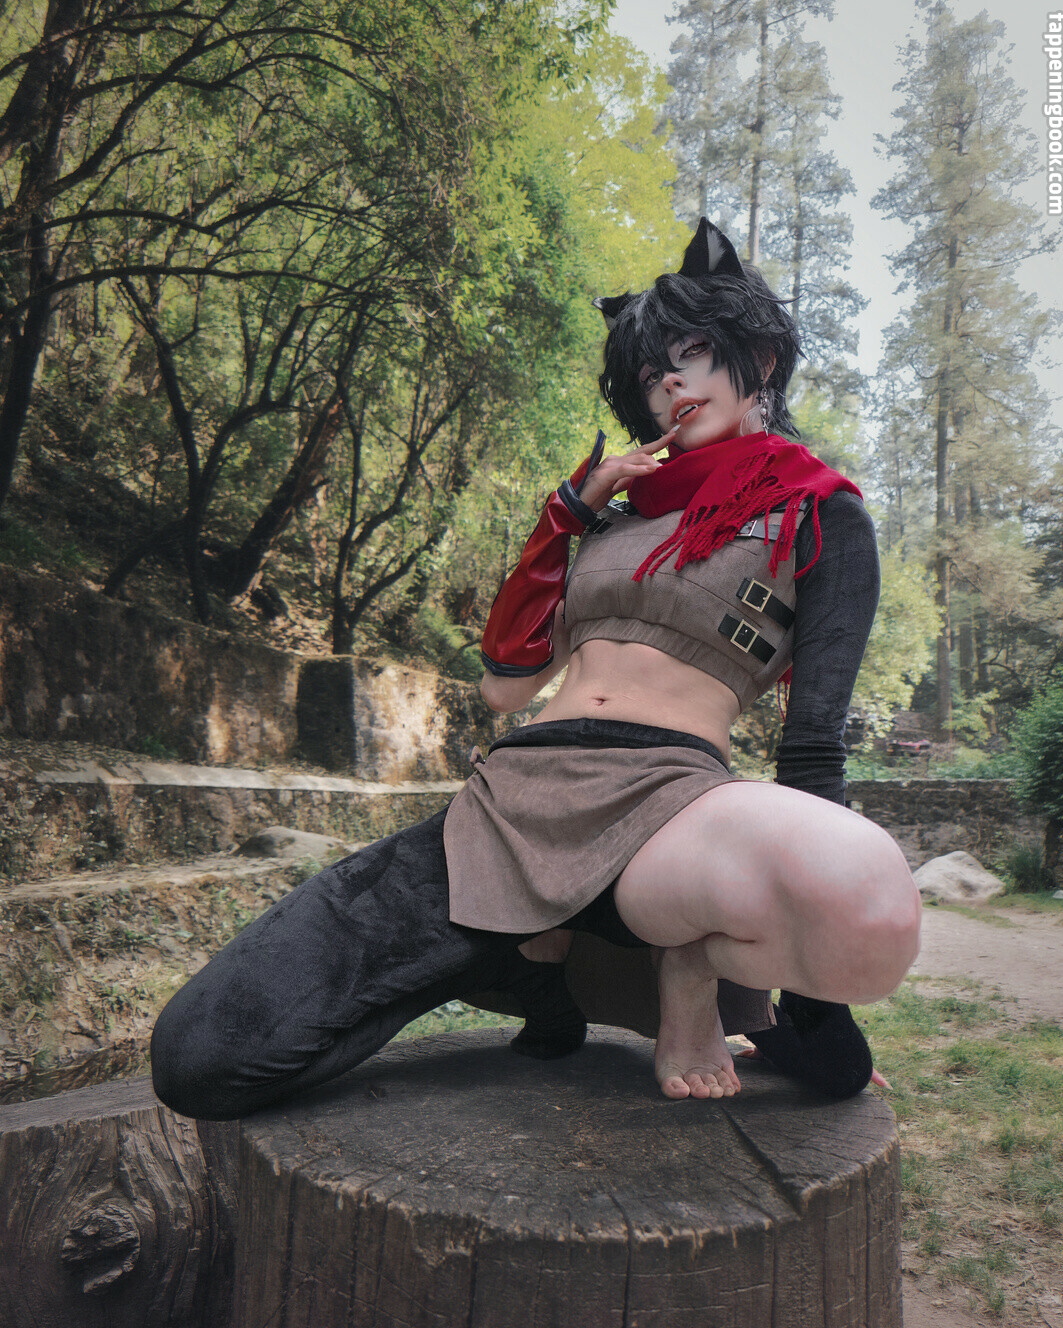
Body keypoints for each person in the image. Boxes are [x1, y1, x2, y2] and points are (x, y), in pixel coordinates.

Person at [150, 220, 920, 1122]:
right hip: (511, 802)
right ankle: (528, 965)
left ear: (759, 357)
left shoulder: (820, 512)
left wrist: (814, 1012)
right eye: (651, 372)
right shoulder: (613, 516)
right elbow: (506, 685)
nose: (670, 382)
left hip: (673, 808)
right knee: (199, 1056)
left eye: (692, 354)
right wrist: (568, 513)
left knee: (870, 908)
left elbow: (813, 745)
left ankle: (688, 961)